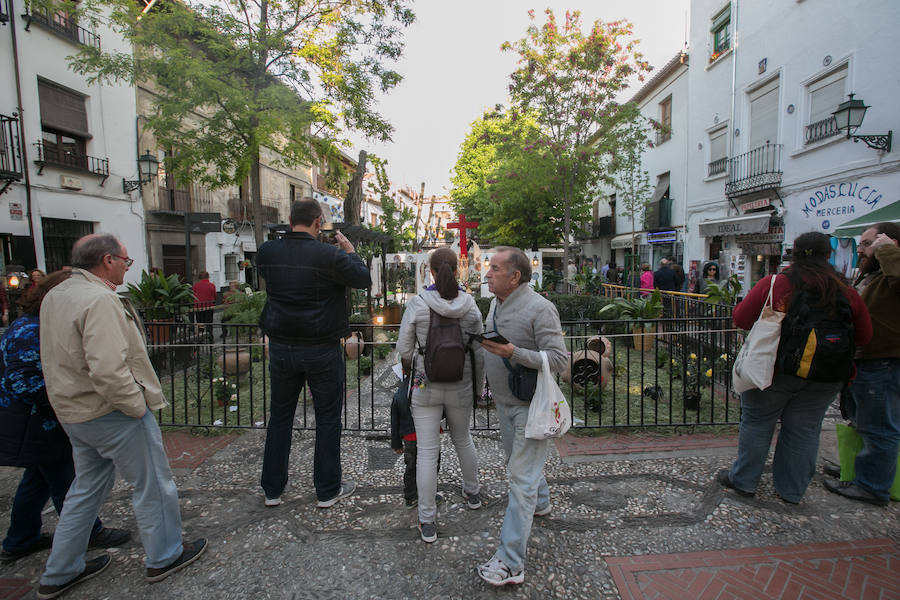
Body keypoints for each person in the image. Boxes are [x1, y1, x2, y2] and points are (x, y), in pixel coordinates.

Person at [37, 233, 206, 599]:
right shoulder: (99, 299)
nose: (128, 268)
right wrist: (135, 406)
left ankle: (60, 571)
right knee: (154, 485)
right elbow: (108, 368)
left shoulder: (57, 294)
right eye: (126, 261)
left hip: (72, 411)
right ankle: (165, 555)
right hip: (110, 411)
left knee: (84, 490)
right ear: (108, 261)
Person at [717, 232, 871, 504]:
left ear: (794, 253)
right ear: (828, 255)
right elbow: (864, 336)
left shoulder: (776, 285)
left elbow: (741, 318)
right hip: (826, 375)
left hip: (774, 369)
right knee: (805, 430)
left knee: (757, 422)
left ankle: (744, 481)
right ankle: (791, 490)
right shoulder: (846, 291)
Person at [1, 272, 130, 563]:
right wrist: (67, 400)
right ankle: (85, 537)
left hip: (40, 420)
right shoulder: (29, 330)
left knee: (37, 480)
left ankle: (20, 538)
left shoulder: (37, 325)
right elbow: (25, 380)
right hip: (37, 423)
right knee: (66, 482)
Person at [257, 198, 371, 508]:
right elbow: (362, 279)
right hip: (320, 349)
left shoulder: (267, 252)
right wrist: (350, 251)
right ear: (318, 222)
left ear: (290, 220)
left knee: (279, 417)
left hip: (281, 348)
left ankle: (272, 489)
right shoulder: (329, 256)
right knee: (328, 419)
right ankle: (327, 490)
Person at [476, 247, 567, 586]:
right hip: (504, 402)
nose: (488, 274)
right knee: (520, 468)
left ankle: (511, 562)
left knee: (520, 480)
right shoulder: (495, 303)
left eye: (495, 269)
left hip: (530, 408)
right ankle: (541, 503)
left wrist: (514, 353)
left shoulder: (541, 309)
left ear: (515, 276)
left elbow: (559, 360)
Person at [396, 247, 484, 543]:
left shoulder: (418, 304)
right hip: (461, 385)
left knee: (427, 452)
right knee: (463, 438)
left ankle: (427, 520)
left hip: (425, 386)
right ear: (457, 271)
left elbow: (404, 350)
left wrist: (412, 371)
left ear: (430, 272)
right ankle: (472, 493)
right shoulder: (470, 306)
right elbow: (479, 352)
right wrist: (478, 388)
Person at [824, 222, 900, 506]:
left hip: (883, 362)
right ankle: (856, 470)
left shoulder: (892, 269)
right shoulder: (876, 274)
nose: (863, 249)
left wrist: (888, 254)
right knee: (862, 421)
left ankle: (872, 486)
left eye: (869, 243)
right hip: (865, 361)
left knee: (879, 426)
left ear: (890, 244)